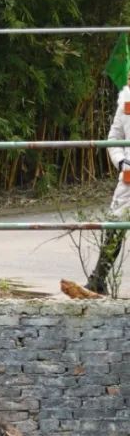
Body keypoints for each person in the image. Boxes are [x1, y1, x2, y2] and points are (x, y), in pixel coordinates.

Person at [86, 82, 130, 295]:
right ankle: (98, 280)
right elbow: (114, 138)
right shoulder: (126, 103)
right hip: (129, 179)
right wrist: (121, 161)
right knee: (114, 227)